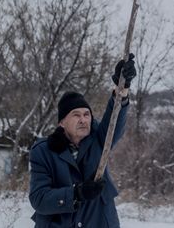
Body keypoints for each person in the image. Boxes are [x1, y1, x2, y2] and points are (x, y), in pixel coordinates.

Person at [29, 54, 137, 228]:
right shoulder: (43, 151)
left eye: (86, 114)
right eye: (76, 115)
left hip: (99, 222)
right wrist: (76, 193)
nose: (83, 119)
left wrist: (121, 89)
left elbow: (113, 123)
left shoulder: (99, 139)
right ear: (62, 122)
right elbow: (39, 199)